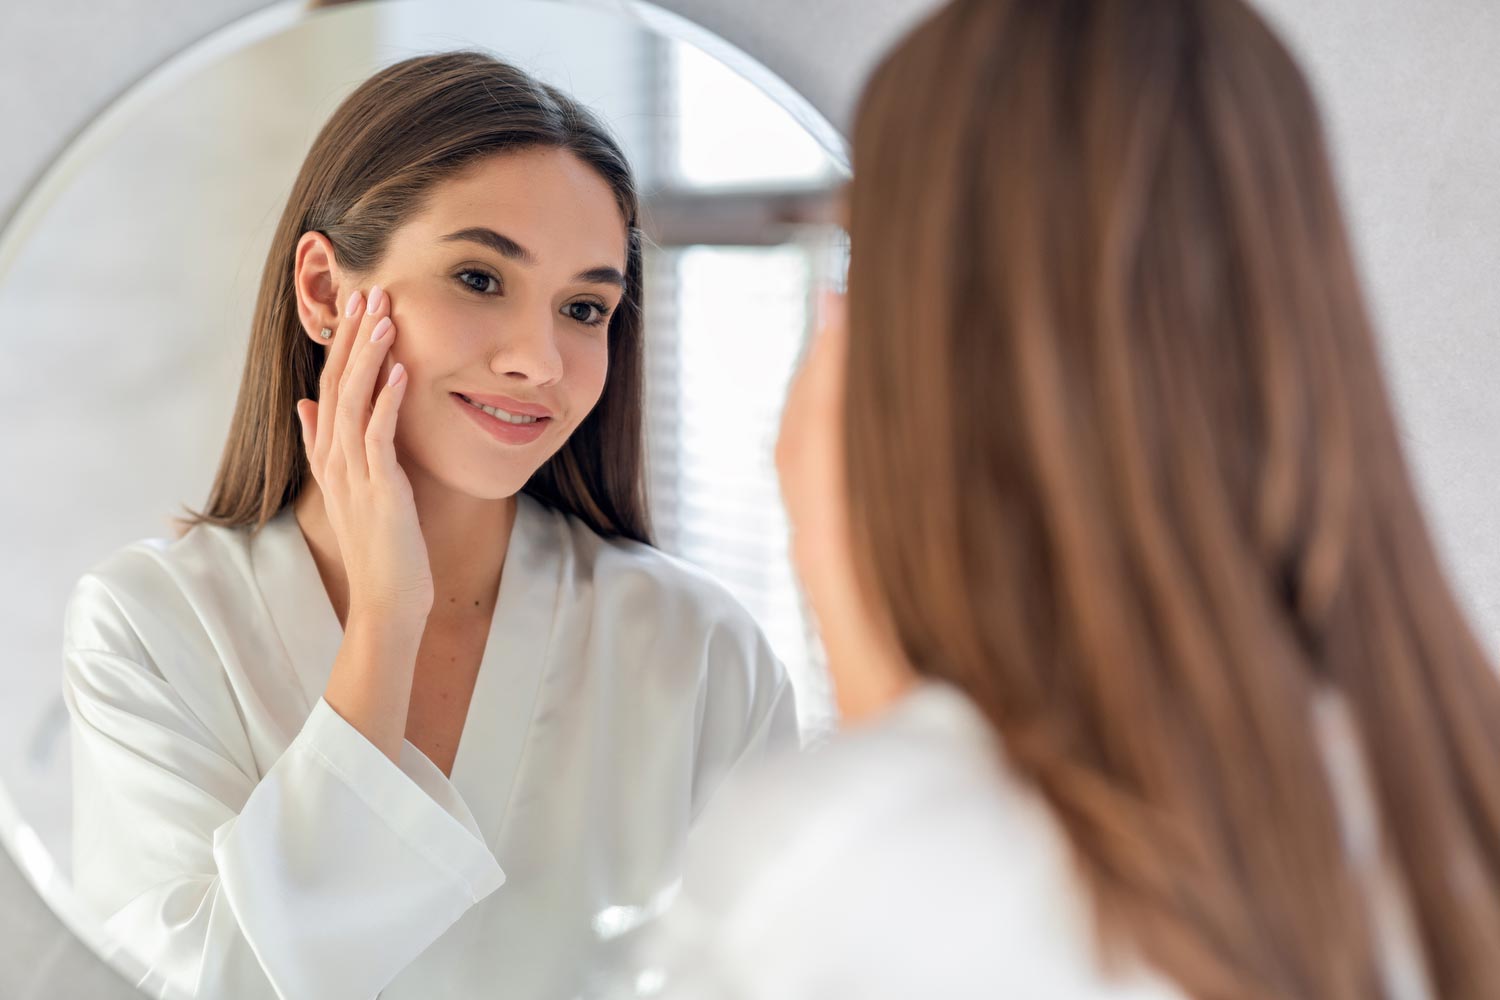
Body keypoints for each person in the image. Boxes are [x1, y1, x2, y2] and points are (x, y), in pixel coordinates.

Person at [631, 1, 1500, 998]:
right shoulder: (1448, 818)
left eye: (864, 263)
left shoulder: (863, 878)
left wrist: (865, 625)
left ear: (915, 334)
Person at [60, 50, 797, 1000]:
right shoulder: (149, 627)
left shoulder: (701, 651)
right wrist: (385, 623)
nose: (538, 360)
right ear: (325, 292)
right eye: (480, 278)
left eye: (585, 307)